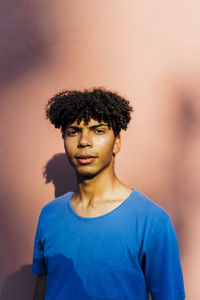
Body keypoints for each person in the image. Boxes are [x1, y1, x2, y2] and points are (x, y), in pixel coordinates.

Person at [32, 87, 185, 300]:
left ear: (117, 143)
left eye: (99, 130)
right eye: (73, 132)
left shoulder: (152, 221)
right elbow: (42, 290)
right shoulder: (48, 215)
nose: (84, 142)